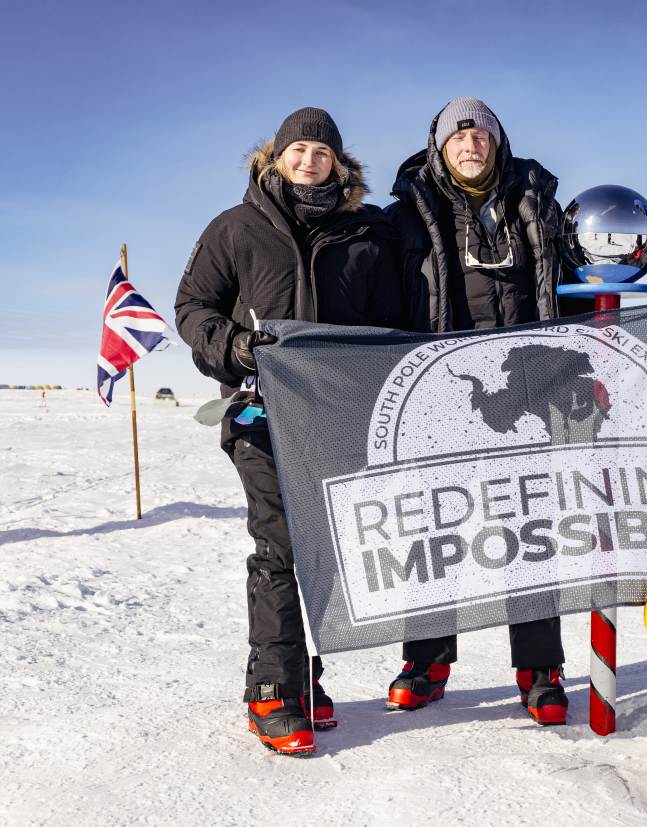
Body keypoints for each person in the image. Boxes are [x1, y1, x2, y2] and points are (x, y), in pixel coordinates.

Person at [175, 107, 424, 755]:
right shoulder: (236, 228)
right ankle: (272, 688)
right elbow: (193, 307)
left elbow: (390, 326)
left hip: (336, 418)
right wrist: (236, 347)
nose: (310, 159)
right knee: (280, 544)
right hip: (260, 412)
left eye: (323, 151)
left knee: (328, 549)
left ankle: (307, 675)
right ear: (276, 157)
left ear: (340, 163)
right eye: (299, 149)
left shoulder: (366, 230)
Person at [384, 96, 569, 725]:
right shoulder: (405, 216)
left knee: (531, 528)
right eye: (458, 136)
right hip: (443, 394)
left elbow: (576, 286)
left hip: (527, 393)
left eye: (481, 134)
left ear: (498, 143)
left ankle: (539, 667)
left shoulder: (537, 207)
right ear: (440, 146)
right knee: (436, 529)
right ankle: (427, 660)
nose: (471, 144)